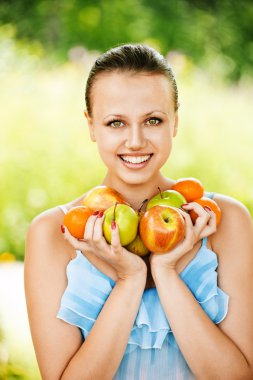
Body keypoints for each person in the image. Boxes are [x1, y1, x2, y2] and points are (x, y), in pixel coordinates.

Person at [24, 44, 253, 380]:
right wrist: (129, 280)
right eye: (116, 122)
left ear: (175, 122)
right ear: (91, 126)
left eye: (153, 120)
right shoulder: (53, 232)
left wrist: (166, 271)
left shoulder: (224, 220)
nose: (135, 141)